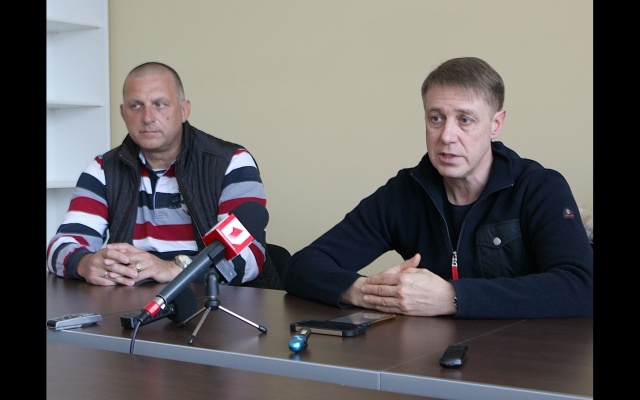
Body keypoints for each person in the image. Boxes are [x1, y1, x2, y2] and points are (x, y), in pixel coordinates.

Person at [283, 57, 593, 319]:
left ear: (496, 124)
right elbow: (302, 266)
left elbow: (582, 287)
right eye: (436, 118)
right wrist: (366, 292)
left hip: (526, 358)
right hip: (434, 358)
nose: (446, 136)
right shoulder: (405, 192)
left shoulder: (539, 188)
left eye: (465, 120)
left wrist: (453, 296)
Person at [46, 61, 275, 288]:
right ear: (123, 113)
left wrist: (171, 269)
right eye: (136, 106)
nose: (147, 117)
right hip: (128, 302)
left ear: (184, 110)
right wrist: (85, 263)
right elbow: (60, 246)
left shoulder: (231, 163)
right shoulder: (103, 169)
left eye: (160, 104)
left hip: (213, 301)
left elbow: (248, 258)